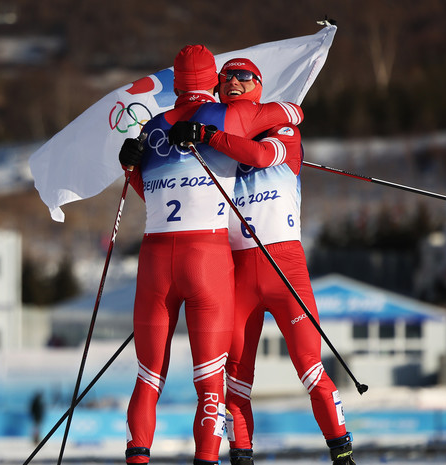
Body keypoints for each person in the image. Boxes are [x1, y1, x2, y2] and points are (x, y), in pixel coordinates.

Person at [117, 45, 304, 465]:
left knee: (148, 378)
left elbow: (148, 193)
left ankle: (137, 458)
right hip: (206, 257)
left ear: (177, 82)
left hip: (154, 259)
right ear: (212, 81)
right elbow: (293, 112)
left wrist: (128, 167)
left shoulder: (151, 127)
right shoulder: (230, 114)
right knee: (210, 382)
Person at [173, 58, 356, 465]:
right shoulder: (209, 143)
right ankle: (241, 456)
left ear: (258, 85)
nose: (234, 82)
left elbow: (258, 156)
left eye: (244, 77)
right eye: (227, 77)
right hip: (236, 272)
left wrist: (206, 134)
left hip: (284, 267)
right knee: (235, 382)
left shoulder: (283, 130)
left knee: (311, 370)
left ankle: (343, 456)